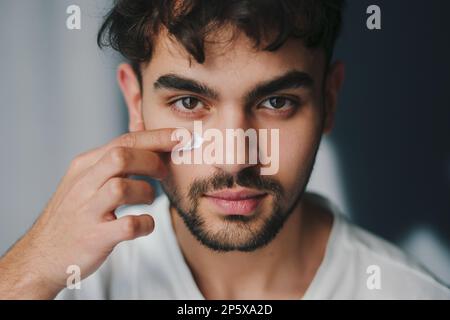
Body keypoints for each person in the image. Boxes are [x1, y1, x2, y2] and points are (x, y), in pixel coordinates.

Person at [0, 0, 448, 299]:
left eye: (276, 102)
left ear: (329, 101)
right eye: (190, 102)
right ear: (136, 104)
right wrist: (26, 275)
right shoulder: (70, 288)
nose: (234, 158)